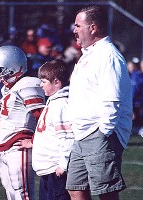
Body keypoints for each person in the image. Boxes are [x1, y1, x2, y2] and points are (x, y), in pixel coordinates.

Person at [66, 5, 132, 200]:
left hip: (99, 134)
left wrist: (103, 132)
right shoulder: (89, 55)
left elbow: (112, 100)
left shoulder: (108, 56)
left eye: (78, 25)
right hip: (82, 133)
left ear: (93, 28)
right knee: (75, 188)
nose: (74, 30)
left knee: (106, 193)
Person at [0, 45, 45, 200]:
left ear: (13, 68)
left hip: (19, 145)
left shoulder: (28, 84)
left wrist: (34, 141)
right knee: (11, 193)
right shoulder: (8, 89)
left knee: (22, 194)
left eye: (1, 70)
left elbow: (43, 117)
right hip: (5, 148)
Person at [32, 59, 74, 200]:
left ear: (56, 82)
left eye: (44, 81)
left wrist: (63, 165)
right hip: (48, 170)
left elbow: (67, 137)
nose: (40, 85)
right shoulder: (53, 102)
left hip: (56, 171)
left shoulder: (61, 104)